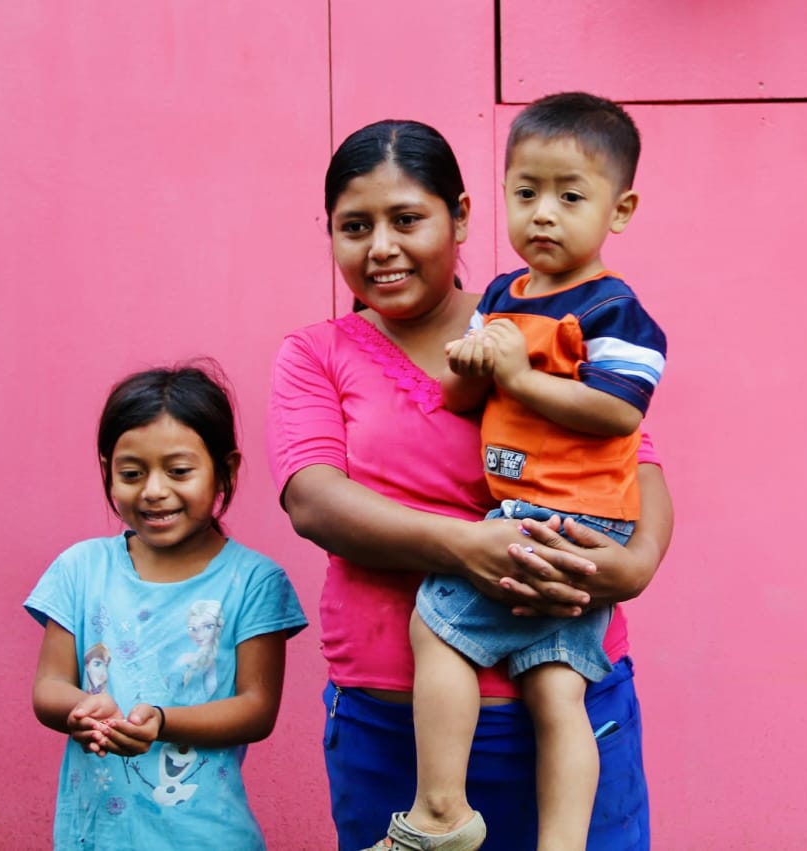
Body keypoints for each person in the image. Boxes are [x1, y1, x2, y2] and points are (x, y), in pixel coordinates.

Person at [267, 118, 673, 851]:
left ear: (459, 216)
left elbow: (635, 456)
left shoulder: (539, 318)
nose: (381, 247)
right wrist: (468, 547)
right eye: (354, 226)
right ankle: (439, 807)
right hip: (391, 735)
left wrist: (634, 564)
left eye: (408, 219)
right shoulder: (315, 353)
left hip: (573, 712)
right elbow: (313, 498)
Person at [388, 91, 666, 851]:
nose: (544, 213)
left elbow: (619, 414)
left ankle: (441, 813)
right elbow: (459, 395)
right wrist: (475, 365)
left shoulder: (616, 311)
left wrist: (518, 374)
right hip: (539, 510)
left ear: (620, 209)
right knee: (554, 688)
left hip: (557, 514)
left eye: (570, 196)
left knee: (436, 626)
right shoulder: (505, 295)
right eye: (526, 192)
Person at [26, 364, 308, 850]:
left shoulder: (254, 581)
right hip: (93, 835)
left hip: (206, 837)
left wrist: (162, 721)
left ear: (226, 470)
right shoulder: (80, 568)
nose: (154, 490)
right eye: (132, 474)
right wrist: (81, 710)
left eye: (178, 471)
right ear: (107, 471)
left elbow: (257, 709)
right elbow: (49, 686)